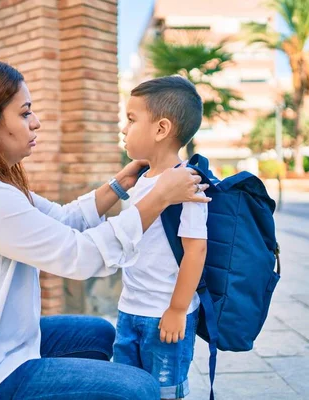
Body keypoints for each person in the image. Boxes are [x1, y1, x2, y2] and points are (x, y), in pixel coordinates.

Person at [0, 57, 210, 400]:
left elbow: (62, 219)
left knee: (98, 334)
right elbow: (80, 258)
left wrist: (120, 184)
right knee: (140, 388)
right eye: (24, 112)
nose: (36, 122)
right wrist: (160, 197)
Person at [113, 76, 208, 400]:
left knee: (166, 393)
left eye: (131, 119)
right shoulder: (141, 179)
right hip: (130, 309)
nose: (124, 128)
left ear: (161, 129)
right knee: (128, 389)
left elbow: (195, 251)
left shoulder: (186, 183)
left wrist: (178, 309)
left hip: (164, 314)